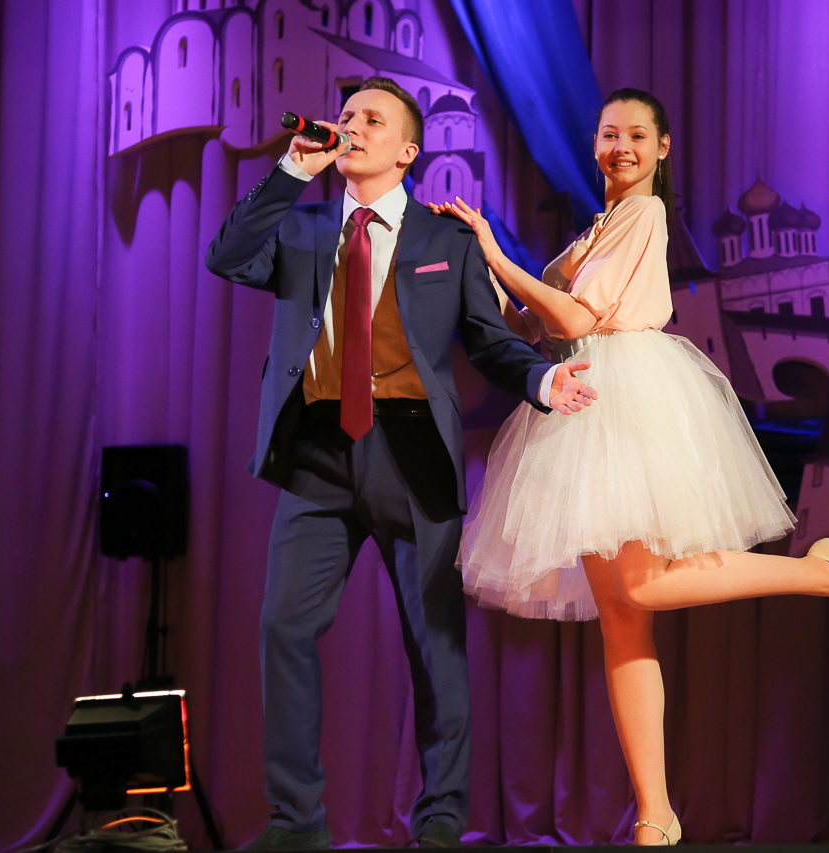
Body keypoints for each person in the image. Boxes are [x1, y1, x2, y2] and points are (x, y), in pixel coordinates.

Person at [432, 88, 829, 846]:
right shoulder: (594, 231)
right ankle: (655, 811)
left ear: (662, 149)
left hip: (628, 396)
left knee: (641, 587)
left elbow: (578, 317)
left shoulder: (647, 214)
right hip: (579, 397)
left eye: (636, 135)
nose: (619, 147)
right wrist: (481, 268)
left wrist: (496, 253)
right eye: (608, 134)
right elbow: (537, 328)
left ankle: (821, 571)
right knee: (624, 621)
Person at [205, 76, 598, 851]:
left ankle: (442, 815)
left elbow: (490, 342)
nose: (351, 126)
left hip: (413, 451)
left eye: (372, 119)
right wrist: (290, 171)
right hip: (318, 453)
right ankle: (295, 821)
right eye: (346, 115)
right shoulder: (302, 226)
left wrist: (543, 380)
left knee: (435, 642)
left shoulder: (445, 241)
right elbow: (229, 257)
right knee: (283, 625)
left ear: (408, 151)